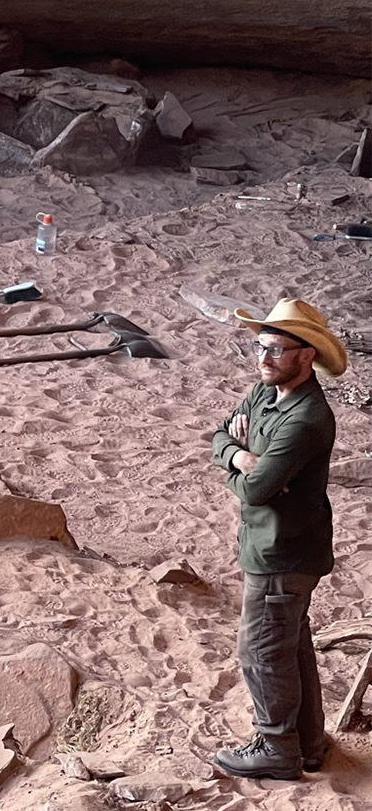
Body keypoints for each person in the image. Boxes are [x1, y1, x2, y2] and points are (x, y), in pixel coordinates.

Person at [208, 297, 343, 781]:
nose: (263, 360)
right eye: (260, 347)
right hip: (271, 542)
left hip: (282, 552)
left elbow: (257, 489)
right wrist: (240, 454)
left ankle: (276, 749)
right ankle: (307, 743)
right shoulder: (267, 391)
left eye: (276, 350)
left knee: (261, 652)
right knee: (290, 644)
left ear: (307, 356)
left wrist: (245, 466)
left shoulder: (306, 418)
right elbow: (219, 434)